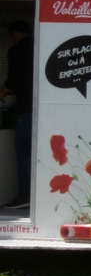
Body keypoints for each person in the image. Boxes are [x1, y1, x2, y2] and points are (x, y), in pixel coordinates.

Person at [0, 20, 33, 210]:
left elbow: (15, 78)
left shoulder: (17, 50)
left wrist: (3, 90)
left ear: (15, 33)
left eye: (11, 36)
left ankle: (24, 194)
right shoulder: (41, 46)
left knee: (23, 152)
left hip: (26, 109)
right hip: (42, 108)